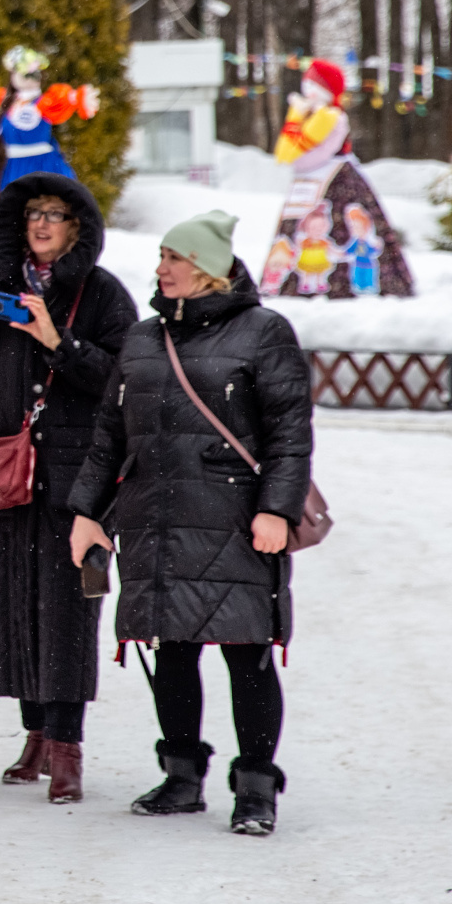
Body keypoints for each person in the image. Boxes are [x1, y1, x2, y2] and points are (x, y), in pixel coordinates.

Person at [67, 210, 313, 837]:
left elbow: (290, 435)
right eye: (161, 257)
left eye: (174, 258)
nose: (161, 269)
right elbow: (108, 438)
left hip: (235, 520)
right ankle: (182, 777)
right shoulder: (144, 339)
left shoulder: (264, 332)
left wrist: (276, 510)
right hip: (154, 518)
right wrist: (85, 515)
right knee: (170, 652)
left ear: (206, 268)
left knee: (246, 655)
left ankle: (256, 787)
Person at [0, 173, 137, 804]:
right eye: (32, 214)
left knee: (66, 609)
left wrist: (58, 344)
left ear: (79, 226)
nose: (41, 224)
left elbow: (122, 381)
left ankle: (67, 747)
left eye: (55, 214)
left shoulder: (104, 295)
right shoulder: (2, 287)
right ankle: (34, 733)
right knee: (12, 603)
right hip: (9, 472)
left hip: (76, 477)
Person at [256, 59, 414, 299]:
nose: (308, 90)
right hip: (309, 183)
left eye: (314, 84)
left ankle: (344, 285)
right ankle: (289, 282)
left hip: (333, 180)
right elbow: (286, 152)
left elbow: (299, 157)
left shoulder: (330, 116)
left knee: (343, 225)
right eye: (306, 83)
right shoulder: (310, 114)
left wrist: (296, 117)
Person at [0, 45, 99, 190]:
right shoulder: (2, 102)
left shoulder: (46, 102)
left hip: (45, 165)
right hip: (13, 167)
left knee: (52, 204)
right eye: (25, 74)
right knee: (17, 208)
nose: (30, 78)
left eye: (35, 74)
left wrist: (78, 98)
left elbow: (67, 99)